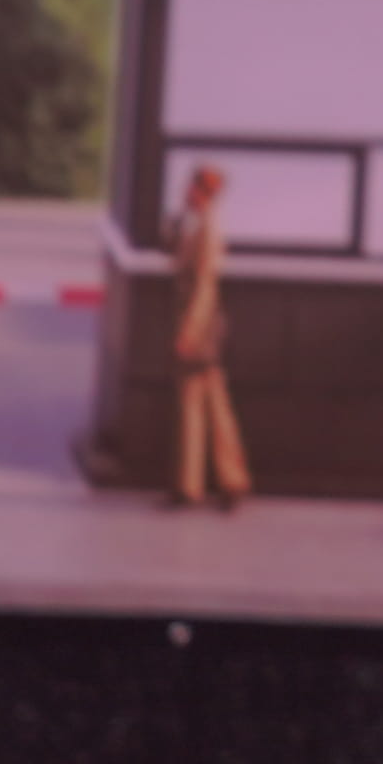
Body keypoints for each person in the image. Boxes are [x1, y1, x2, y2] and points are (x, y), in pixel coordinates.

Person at [167, 161, 255, 512]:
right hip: (200, 325)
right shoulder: (198, 224)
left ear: (204, 192)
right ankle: (231, 480)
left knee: (192, 402)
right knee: (215, 403)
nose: (185, 192)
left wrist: (188, 332)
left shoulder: (208, 228)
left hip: (198, 326)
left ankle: (190, 486)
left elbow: (205, 286)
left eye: (192, 188)